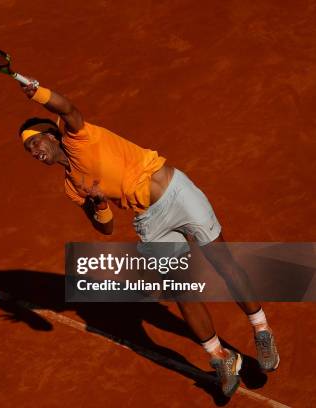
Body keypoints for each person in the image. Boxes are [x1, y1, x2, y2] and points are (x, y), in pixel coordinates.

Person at [16, 79, 279, 397]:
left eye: (35, 143)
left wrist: (39, 92)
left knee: (222, 262)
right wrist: (100, 204)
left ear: (51, 134)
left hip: (176, 193)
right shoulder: (72, 186)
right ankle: (220, 357)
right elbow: (106, 228)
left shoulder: (79, 139)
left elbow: (68, 108)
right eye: (29, 150)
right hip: (149, 220)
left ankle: (261, 329)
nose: (34, 152)